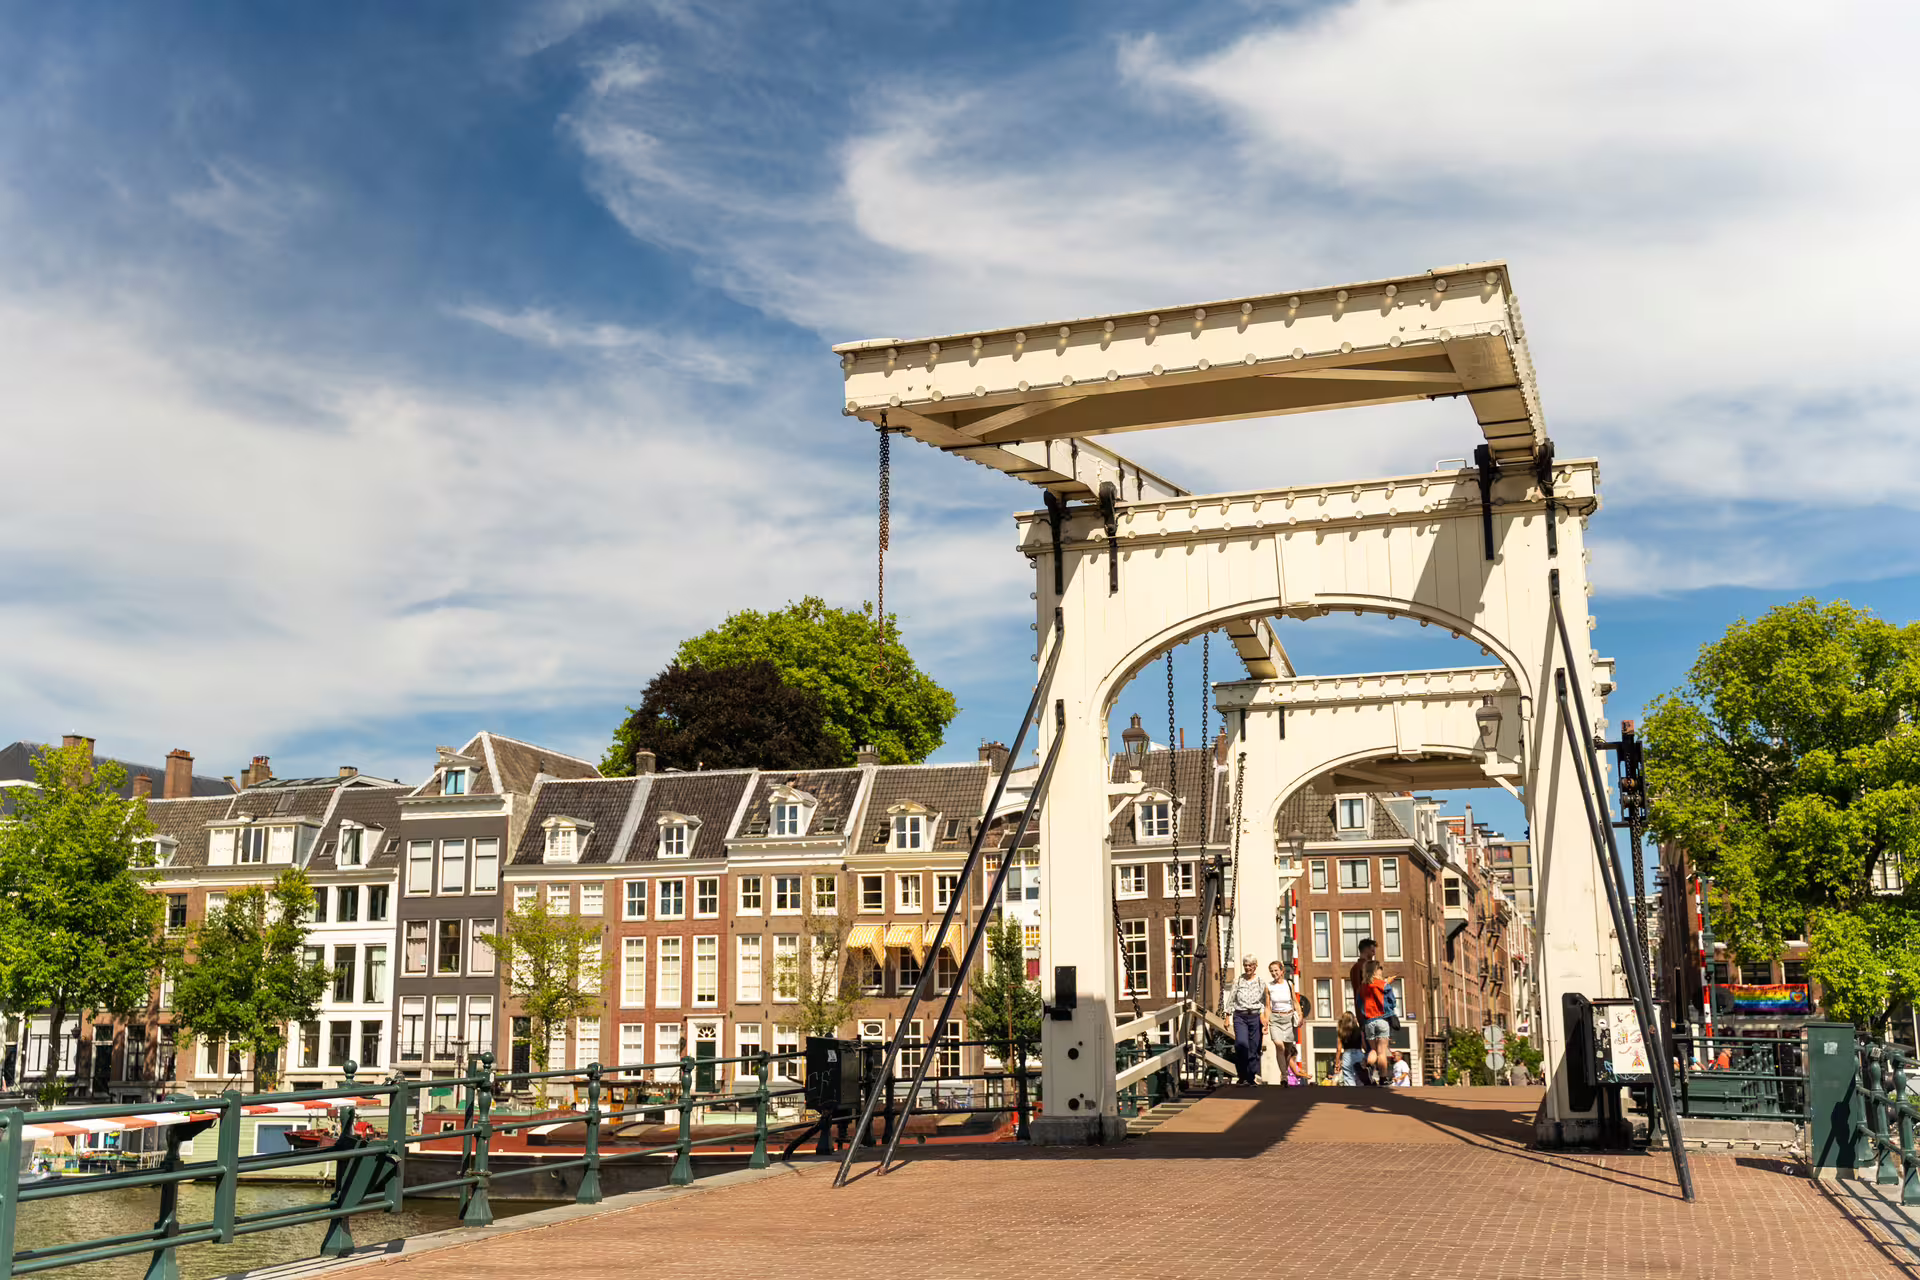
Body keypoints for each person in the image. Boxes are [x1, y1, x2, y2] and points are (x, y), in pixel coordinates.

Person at [1222, 954, 1267, 1087]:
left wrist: (1263, 1016)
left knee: (1254, 1047)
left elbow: (1264, 1001)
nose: (1248, 968)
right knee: (1241, 1045)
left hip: (1255, 1016)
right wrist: (1227, 1016)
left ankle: (1251, 1077)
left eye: (1250, 965)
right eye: (1245, 965)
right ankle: (1242, 1076)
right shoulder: (1238, 980)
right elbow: (1231, 998)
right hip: (1240, 1016)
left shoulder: (1260, 981)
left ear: (1255, 966)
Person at [1264, 960, 1306, 1085]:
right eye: (1271, 971)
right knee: (1279, 1045)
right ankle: (1284, 1075)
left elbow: (1294, 1001)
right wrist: (1266, 1021)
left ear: (1282, 971)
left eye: (1276, 970)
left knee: (1288, 1048)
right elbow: (1267, 1006)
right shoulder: (1269, 986)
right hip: (1275, 1018)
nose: (1274, 973)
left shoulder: (1289, 984)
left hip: (1288, 1018)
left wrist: (1300, 1015)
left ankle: (1285, 1071)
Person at [1359, 960, 1394, 1086]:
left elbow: (1360, 1004)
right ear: (1376, 971)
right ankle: (1383, 1078)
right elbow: (1392, 1001)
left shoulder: (1362, 987)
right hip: (1382, 1020)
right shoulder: (1383, 985)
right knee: (1382, 1052)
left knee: (1373, 1050)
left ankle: (1365, 1065)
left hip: (1369, 1021)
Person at [1335, 1012, 1364, 1085]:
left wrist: (1337, 1063)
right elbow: (1364, 1045)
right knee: (1360, 1079)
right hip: (1359, 1054)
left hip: (1347, 1055)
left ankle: (1351, 1095)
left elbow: (1339, 1049)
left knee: (1349, 1079)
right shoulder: (1359, 1030)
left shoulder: (1341, 1031)